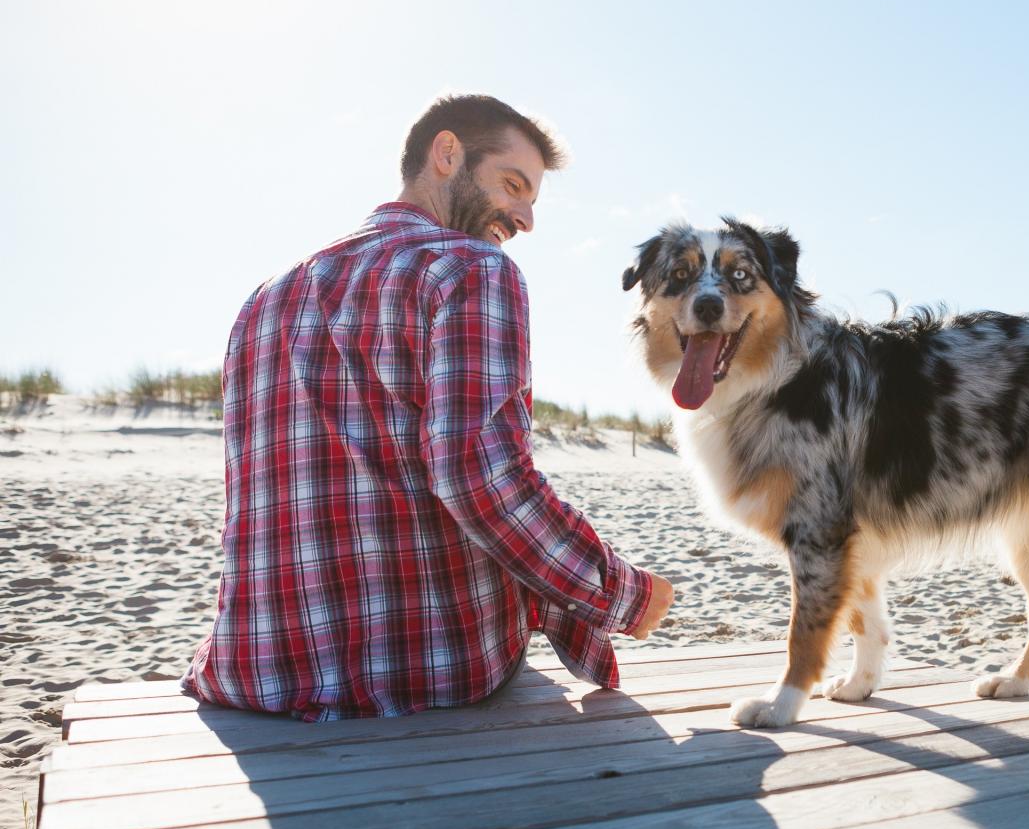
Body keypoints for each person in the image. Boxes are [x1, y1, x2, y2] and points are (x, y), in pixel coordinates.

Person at [181, 94, 673, 721]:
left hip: (257, 670)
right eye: (513, 185)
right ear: (447, 154)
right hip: (434, 669)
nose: (525, 219)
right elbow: (481, 479)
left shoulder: (265, 298)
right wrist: (624, 594)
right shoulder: (470, 268)